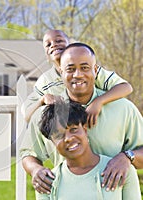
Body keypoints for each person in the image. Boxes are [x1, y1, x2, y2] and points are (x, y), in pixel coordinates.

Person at [20, 42, 143, 199]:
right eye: (70, 69)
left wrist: (127, 157)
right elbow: (27, 153)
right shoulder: (48, 114)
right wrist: (35, 169)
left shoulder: (123, 109)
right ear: (60, 72)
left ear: (95, 70)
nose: (77, 75)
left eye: (85, 68)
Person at [22, 30, 133, 129]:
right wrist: (43, 100)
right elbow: (27, 116)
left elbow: (126, 87)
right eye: (48, 44)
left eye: (59, 41)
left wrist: (98, 102)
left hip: (99, 124)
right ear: (46, 55)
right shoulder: (45, 81)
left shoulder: (91, 71)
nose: (54, 45)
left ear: (70, 45)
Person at [37, 101, 141, 200]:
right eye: (59, 135)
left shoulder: (121, 171)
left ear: (85, 130)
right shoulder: (47, 182)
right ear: (52, 142)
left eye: (73, 129)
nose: (68, 138)